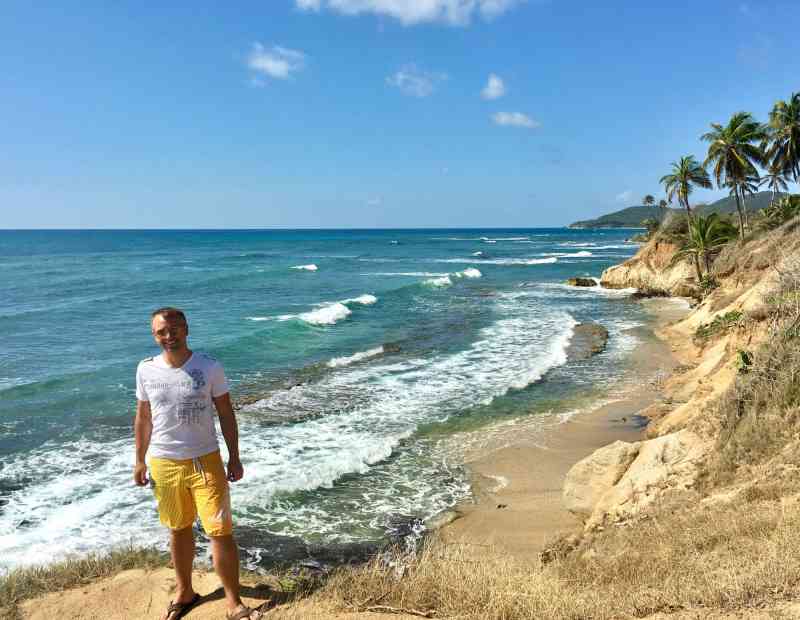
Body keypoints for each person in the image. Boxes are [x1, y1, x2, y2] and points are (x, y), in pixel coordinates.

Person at [134, 307, 262, 620]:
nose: (169, 336)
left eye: (174, 329)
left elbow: (226, 413)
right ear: (155, 336)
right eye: (161, 332)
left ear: (186, 329)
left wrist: (234, 455)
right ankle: (185, 592)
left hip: (206, 459)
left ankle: (234, 603)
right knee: (177, 530)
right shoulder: (145, 369)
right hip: (164, 462)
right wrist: (139, 460)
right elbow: (143, 417)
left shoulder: (209, 366)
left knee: (220, 531)